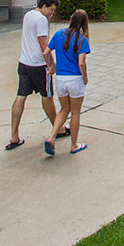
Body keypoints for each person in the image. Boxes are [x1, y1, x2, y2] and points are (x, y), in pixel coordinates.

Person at [7, 0, 69, 150]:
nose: (52, 14)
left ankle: (14, 136)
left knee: (20, 97)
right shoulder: (41, 19)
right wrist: (51, 64)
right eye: (51, 10)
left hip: (24, 63)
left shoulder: (28, 15)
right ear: (44, 6)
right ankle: (59, 128)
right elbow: (43, 44)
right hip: (39, 65)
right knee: (47, 97)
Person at [44, 9, 91, 156]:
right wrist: (85, 77)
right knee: (76, 112)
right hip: (75, 79)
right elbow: (81, 63)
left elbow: (46, 52)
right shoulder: (82, 39)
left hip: (61, 79)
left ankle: (52, 137)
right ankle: (74, 145)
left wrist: (51, 66)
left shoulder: (58, 34)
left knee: (64, 109)